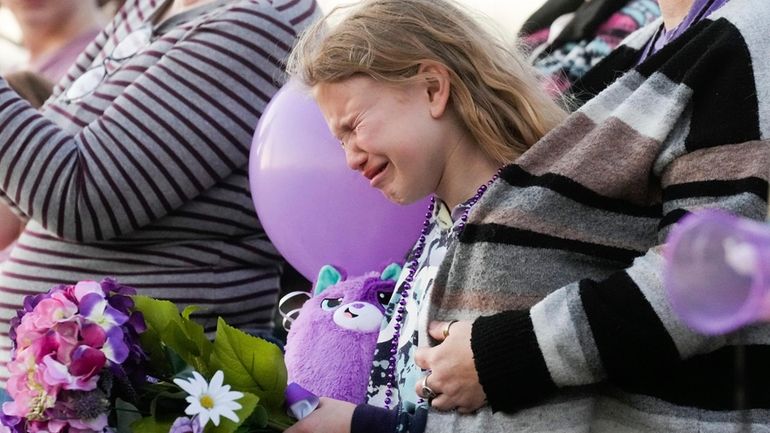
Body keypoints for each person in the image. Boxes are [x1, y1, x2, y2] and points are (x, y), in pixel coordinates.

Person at [285, 0, 770, 432]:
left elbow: (725, 271)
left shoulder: (748, 31)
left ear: (434, 88)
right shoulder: (634, 54)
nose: (349, 159)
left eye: (354, 127)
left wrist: (506, 353)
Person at [0, 0, 320, 383]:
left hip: (143, 397)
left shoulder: (258, 26)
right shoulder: (151, 6)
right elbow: (31, 192)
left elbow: (86, 199)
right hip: (57, 389)